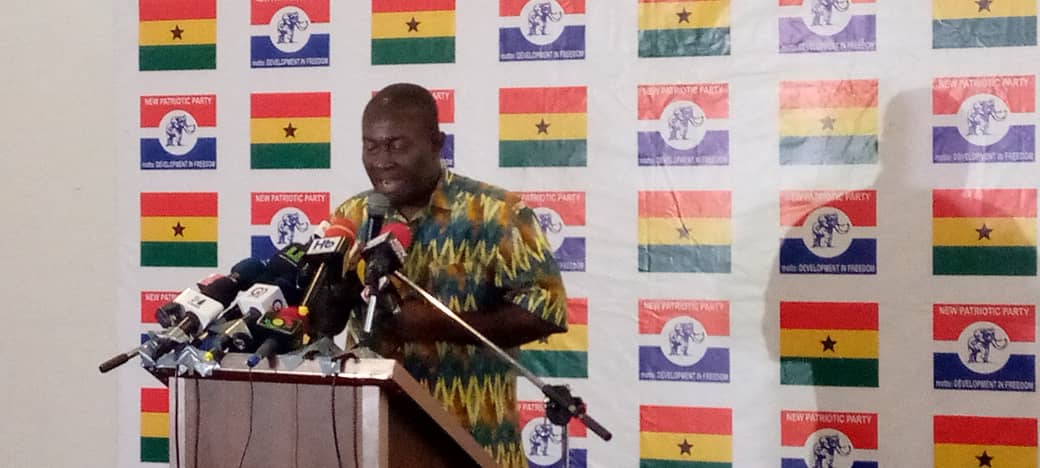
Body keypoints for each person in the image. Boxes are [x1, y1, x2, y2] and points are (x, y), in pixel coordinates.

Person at [330, 83, 568, 467]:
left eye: (396, 145)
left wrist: (436, 324)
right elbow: (327, 319)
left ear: (436, 143)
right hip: (373, 439)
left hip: (473, 437)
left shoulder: (497, 213)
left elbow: (546, 312)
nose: (382, 161)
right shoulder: (352, 215)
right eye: (370, 146)